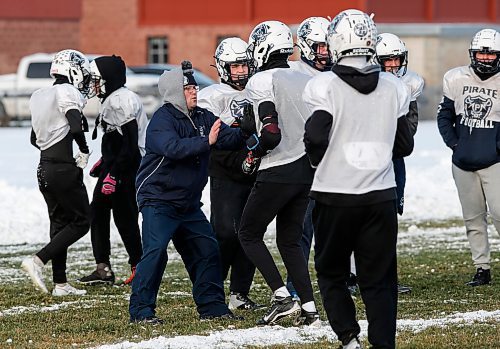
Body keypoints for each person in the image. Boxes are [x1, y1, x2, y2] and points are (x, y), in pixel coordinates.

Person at [303, 9, 413, 348]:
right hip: (380, 194)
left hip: (334, 194)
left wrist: (324, 162)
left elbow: (315, 137)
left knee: (331, 272)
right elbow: (404, 145)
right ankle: (383, 343)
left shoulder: (323, 85)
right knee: (380, 280)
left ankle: (349, 337)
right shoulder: (395, 86)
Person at [129, 61, 246, 324]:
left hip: (188, 204)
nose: (194, 92)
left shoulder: (203, 116)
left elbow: (228, 138)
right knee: (155, 252)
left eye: (194, 87)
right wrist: (207, 142)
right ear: (173, 93)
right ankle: (141, 312)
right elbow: (174, 148)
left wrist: (253, 128)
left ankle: (213, 309)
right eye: (188, 88)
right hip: (158, 200)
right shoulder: (162, 119)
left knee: (207, 250)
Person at [238, 20, 320, 326]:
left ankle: (283, 297)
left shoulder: (262, 80)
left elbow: (270, 133)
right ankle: (309, 307)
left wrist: (254, 151)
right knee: (289, 240)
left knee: (248, 233)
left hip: (279, 167)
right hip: (306, 170)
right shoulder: (303, 78)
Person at [197, 38, 262, 311]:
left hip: (256, 167)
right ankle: (213, 285)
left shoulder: (258, 90)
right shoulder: (212, 95)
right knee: (224, 232)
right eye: (235, 66)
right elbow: (212, 136)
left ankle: (239, 293)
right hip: (224, 169)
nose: (241, 72)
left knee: (250, 232)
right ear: (223, 67)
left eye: (244, 65)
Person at [22, 49, 92, 297]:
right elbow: (74, 122)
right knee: (83, 221)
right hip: (62, 168)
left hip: (44, 167)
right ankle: (38, 260)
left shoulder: (39, 95)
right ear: (72, 71)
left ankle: (60, 283)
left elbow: (34, 138)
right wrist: (83, 149)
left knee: (60, 223)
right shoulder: (67, 91)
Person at [437, 28, 500, 287]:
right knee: (473, 218)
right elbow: (444, 116)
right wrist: (455, 144)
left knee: (499, 213)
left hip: (494, 161)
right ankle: (482, 268)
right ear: (472, 54)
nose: (485, 59)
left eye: (491, 54)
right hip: (463, 162)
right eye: (481, 54)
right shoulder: (456, 78)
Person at [78, 55, 147, 286]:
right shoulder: (115, 97)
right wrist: (104, 161)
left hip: (127, 165)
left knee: (124, 217)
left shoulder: (120, 100)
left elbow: (129, 143)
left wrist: (114, 173)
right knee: (99, 212)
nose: (93, 84)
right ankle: (104, 268)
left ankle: (137, 265)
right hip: (119, 163)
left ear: (108, 78)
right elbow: (116, 140)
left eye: (97, 79)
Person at [375, 32, 425, 295]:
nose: (393, 65)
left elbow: (410, 127)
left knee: (388, 219)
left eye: (396, 59)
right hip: (367, 162)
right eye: (388, 60)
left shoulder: (409, 84)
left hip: (393, 159)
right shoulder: (367, 83)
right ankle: (351, 276)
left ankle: (385, 276)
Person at [286, 16, 331, 300]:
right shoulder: (291, 72)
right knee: (301, 230)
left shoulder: (339, 74)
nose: (325, 52)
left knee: (331, 229)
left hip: (332, 163)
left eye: (329, 46)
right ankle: (295, 286)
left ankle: (334, 282)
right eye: (320, 46)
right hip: (302, 161)